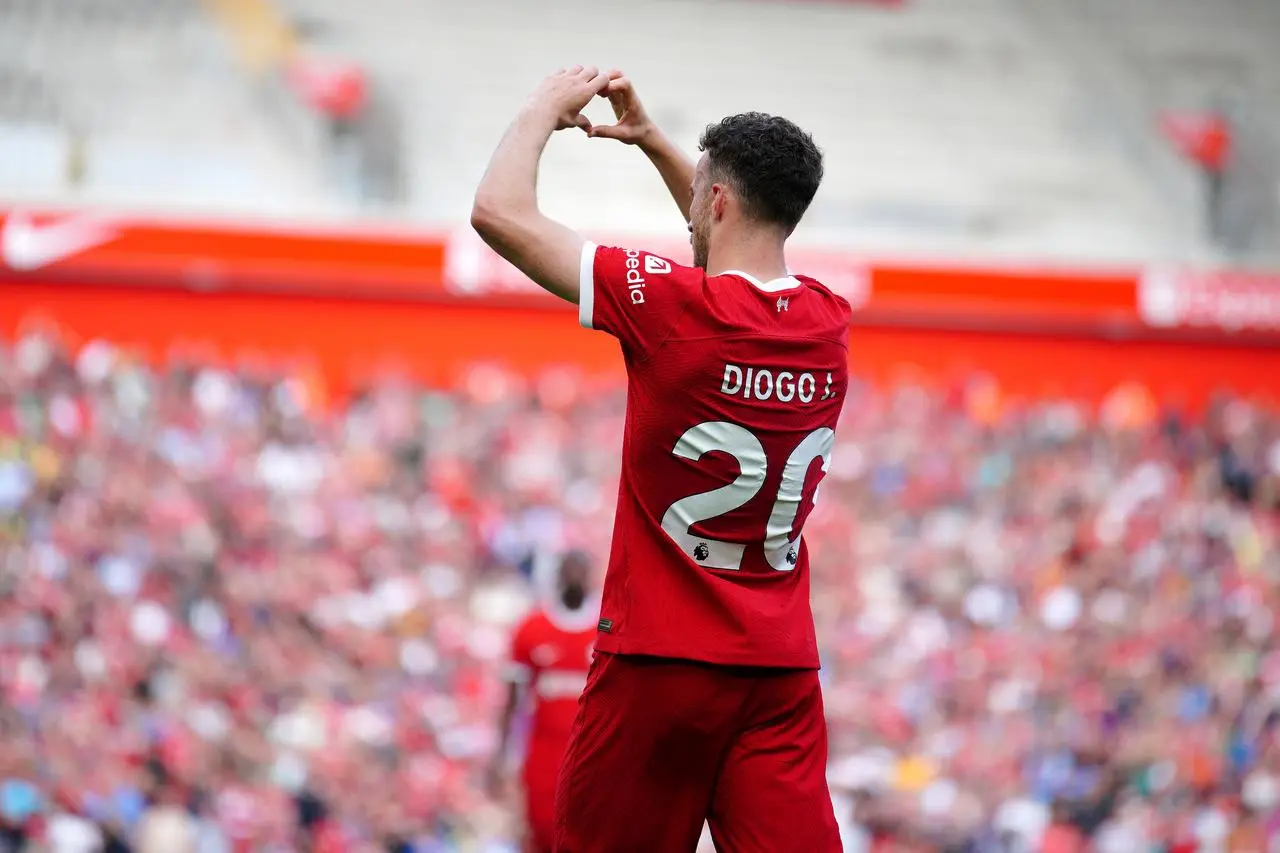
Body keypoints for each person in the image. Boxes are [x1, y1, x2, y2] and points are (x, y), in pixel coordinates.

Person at [471, 66, 847, 852]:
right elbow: (736, 243)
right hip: (778, 671)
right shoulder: (825, 323)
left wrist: (544, 104)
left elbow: (498, 213)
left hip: (658, 662)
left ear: (715, 201)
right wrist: (654, 143)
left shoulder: (672, 307)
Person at [488, 551, 599, 853]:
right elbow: (512, 700)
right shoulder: (532, 628)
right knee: (541, 829)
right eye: (569, 570)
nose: (574, 578)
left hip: (592, 750)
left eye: (580, 571)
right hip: (544, 750)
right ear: (558, 576)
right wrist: (500, 754)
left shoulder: (607, 626)